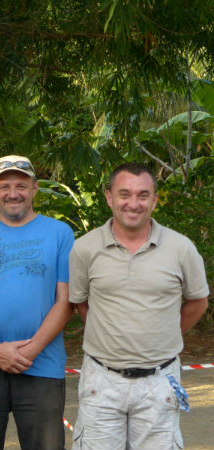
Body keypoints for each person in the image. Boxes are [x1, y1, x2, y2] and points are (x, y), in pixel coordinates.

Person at [69, 162, 209, 450]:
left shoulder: (181, 248)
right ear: (109, 197)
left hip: (160, 382)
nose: (133, 203)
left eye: (143, 195)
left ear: (155, 200)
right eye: (124, 194)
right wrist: (107, 334)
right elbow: (80, 302)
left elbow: (198, 302)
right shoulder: (84, 248)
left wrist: (166, 334)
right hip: (101, 380)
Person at [0, 155, 74, 450]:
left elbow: (65, 301)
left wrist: (28, 352)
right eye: (4, 186)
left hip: (41, 364)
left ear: (34, 189)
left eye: (21, 185)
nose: (13, 193)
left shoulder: (60, 233)